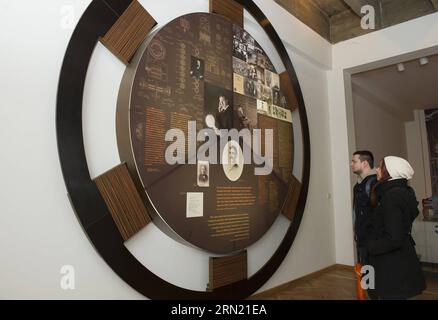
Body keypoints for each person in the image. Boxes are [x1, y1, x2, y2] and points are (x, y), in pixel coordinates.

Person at [365, 156, 426, 299]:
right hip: (396, 260)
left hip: (391, 264)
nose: (376, 169)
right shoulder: (400, 192)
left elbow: (394, 238)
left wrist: (370, 247)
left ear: (390, 172)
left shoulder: (391, 197)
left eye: (380, 167)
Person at [351, 151, 378, 266]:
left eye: (354, 161)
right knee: (365, 271)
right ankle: (367, 283)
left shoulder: (375, 183)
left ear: (365, 163)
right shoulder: (357, 186)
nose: (351, 164)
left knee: (374, 271)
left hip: (373, 238)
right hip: (362, 237)